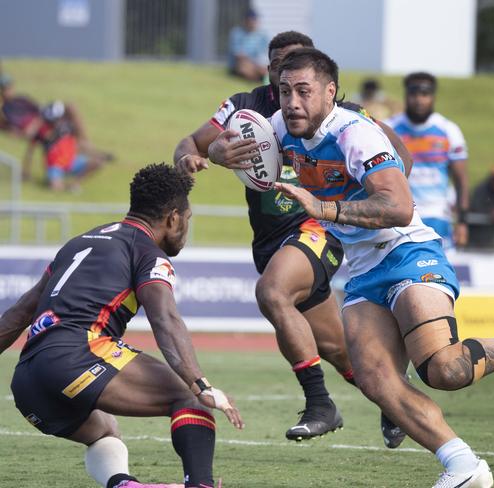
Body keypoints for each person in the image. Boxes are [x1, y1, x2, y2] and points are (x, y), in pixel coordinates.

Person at [272, 47, 494, 487]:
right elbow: (226, 140)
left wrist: (323, 207)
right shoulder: (280, 127)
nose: (291, 102)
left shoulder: (353, 134)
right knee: (376, 380)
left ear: (329, 93)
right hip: (363, 269)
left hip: (406, 250)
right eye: (284, 91)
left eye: (303, 91)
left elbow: (399, 207)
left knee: (444, 371)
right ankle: (463, 466)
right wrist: (223, 151)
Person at [175, 30, 412, 448]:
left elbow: (400, 159)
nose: (287, 83)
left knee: (272, 292)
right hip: (270, 241)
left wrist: (368, 193)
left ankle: (319, 404)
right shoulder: (244, 107)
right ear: (269, 71)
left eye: (297, 71)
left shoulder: (341, 115)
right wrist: (204, 157)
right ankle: (399, 403)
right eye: (278, 70)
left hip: (319, 226)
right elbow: (191, 144)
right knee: (339, 351)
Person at [0, 163, 244, 488]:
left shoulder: (80, 242)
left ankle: (124, 484)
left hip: (29, 382)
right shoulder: (147, 252)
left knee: (105, 431)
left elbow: (17, 315)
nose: (185, 228)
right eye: (187, 219)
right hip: (77, 356)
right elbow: (165, 319)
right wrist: (200, 384)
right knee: (187, 398)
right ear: (173, 218)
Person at [386, 72, 469, 251]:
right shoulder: (389, 129)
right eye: (414, 94)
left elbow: (461, 179)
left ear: (433, 96)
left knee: (439, 274)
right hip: (400, 215)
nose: (419, 100)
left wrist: (462, 222)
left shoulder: (449, 130)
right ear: (406, 95)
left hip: (437, 216)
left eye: (424, 94)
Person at [22, 100, 113, 191]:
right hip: (55, 166)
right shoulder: (43, 132)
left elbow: (80, 145)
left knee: (98, 163)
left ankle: (74, 184)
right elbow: (30, 150)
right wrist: (26, 171)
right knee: (56, 188)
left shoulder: (68, 127)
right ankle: (58, 183)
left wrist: (99, 155)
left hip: (71, 162)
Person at [228, 8, 268, 82]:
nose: (253, 22)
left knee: (267, 68)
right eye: (251, 20)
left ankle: (260, 78)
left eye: (255, 20)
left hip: (258, 63)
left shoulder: (262, 35)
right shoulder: (237, 33)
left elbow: (266, 52)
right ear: (245, 21)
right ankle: (257, 79)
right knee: (245, 67)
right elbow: (238, 55)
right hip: (240, 63)